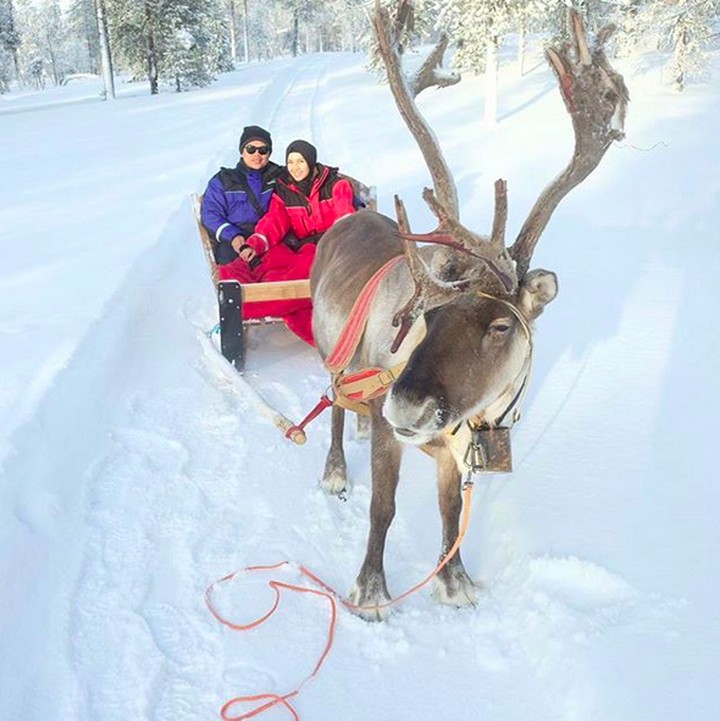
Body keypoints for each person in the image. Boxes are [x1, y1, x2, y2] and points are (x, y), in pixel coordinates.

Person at [219, 139, 357, 345]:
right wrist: (255, 244)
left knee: (305, 268)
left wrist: (337, 248)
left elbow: (345, 220)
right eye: (290, 162)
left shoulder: (336, 185)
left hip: (329, 245)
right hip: (298, 244)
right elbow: (274, 221)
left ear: (310, 161)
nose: (295, 168)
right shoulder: (285, 190)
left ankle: (257, 304)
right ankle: (252, 295)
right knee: (262, 265)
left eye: (300, 161)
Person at [201, 125, 282, 266]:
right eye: (251, 149)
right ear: (242, 151)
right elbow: (210, 214)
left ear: (269, 153)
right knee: (233, 270)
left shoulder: (280, 177)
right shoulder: (223, 180)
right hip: (236, 240)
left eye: (263, 150)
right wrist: (232, 236)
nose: (257, 155)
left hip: (271, 238)